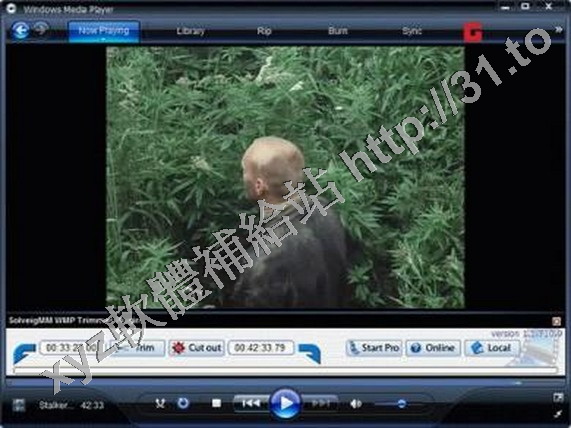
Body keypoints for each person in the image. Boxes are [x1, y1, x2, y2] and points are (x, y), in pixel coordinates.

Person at [223, 136, 349, 308]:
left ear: (259, 186)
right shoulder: (324, 208)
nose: (242, 176)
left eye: (244, 171)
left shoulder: (262, 262)